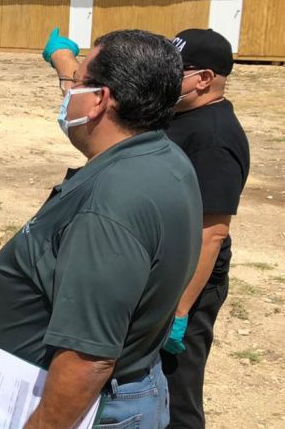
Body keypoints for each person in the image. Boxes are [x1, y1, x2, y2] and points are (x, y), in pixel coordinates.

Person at [0, 29, 202, 428]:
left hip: (92, 406)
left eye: (77, 82)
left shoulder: (110, 205)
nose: (69, 93)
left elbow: (88, 358)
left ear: (100, 99)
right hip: (132, 383)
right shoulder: (163, 155)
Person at [45, 28, 250, 427]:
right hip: (155, 262)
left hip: (188, 280)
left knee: (178, 385)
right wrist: (64, 65)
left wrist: (180, 311)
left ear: (204, 79)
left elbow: (212, 233)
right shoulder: (180, 114)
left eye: (178, 69)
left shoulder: (214, 138)